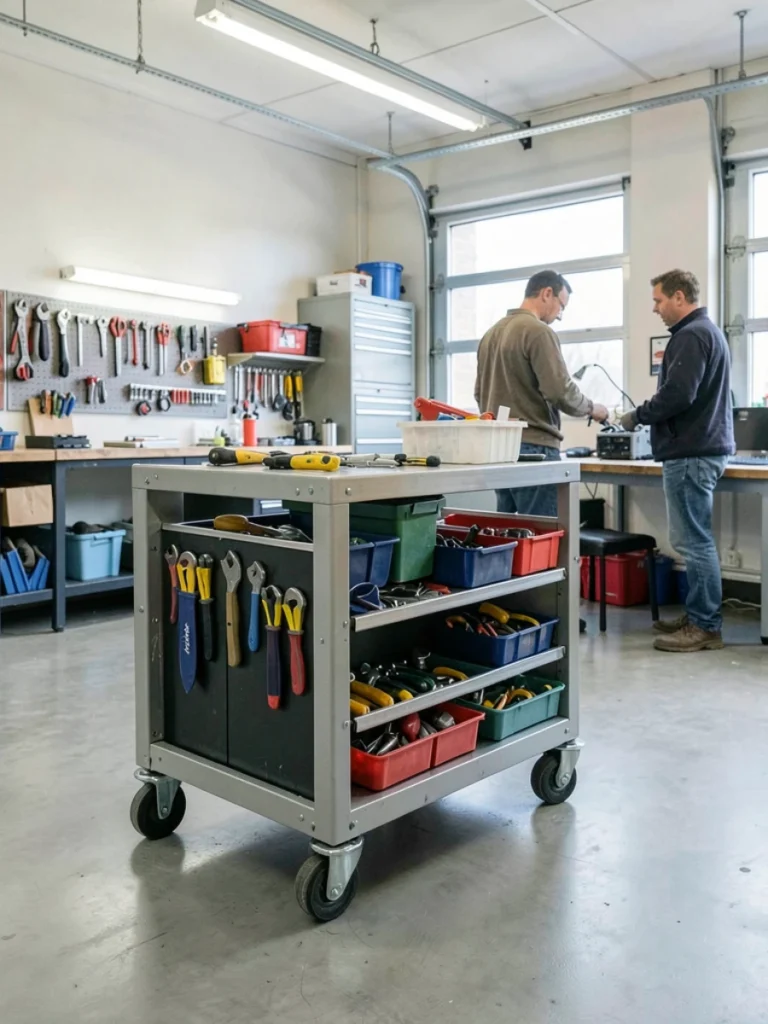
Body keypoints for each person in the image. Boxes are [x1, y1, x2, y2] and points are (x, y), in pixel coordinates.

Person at [620, 269, 734, 653]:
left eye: (659, 301)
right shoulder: (707, 332)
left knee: (693, 541)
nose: (656, 309)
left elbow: (678, 395)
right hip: (700, 449)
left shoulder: (691, 335)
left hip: (691, 453)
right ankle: (699, 615)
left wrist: (636, 415)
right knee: (694, 538)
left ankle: (704, 626)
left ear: (680, 297)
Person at [474, 269, 609, 518]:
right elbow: (559, 391)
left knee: (508, 536)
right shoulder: (538, 332)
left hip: (499, 450)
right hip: (535, 449)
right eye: (561, 306)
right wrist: (592, 408)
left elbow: (479, 393)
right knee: (541, 537)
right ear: (547, 293)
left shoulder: (490, 334)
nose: (559, 316)